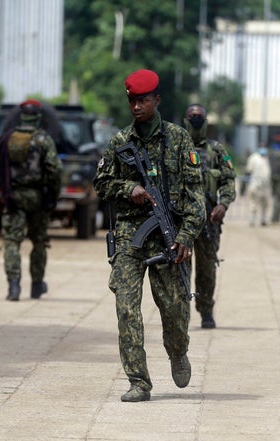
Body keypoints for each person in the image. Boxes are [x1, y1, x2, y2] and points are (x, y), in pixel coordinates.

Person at [93, 69, 205, 402]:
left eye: (143, 100)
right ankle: (138, 381)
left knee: (173, 310)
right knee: (127, 308)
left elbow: (196, 193)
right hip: (130, 233)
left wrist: (186, 236)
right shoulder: (119, 141)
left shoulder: (179, 139)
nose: (137, 106)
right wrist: (130, 188)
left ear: (157, 100)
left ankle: (178, 349)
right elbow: (101, 183)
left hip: (170, 234)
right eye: (132, 100)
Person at [0, 99, 62, 301]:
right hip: (38, 198)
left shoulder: (6, 139)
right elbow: (55, 169)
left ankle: (14, 287)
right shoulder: (43, 139)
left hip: (13, 199)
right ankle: (37, 286)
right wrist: (52, 195)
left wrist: (4, 183)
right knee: (38, 242)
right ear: (38, 117)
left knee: (11, 242)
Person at [183, 103, 237, 329]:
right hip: (181, 221)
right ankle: (180, 313)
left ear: (206, 121)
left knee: (207, 270)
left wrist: (223, 204)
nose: (196, 119)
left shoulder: (217, 150)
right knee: (179, 270)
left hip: (209, 221)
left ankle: (206, 310)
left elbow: (228, 179)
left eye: (200, 116)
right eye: (192, 116)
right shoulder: (175, 147)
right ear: (185, 121)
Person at [245, 144, 272, 226]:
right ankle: (252, 220)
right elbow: (248, 170)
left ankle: (263, 219)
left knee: (265, 203)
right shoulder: (253, 158)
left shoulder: (266, 158)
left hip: (265, 185)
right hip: (255, 183)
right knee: (253, 203)